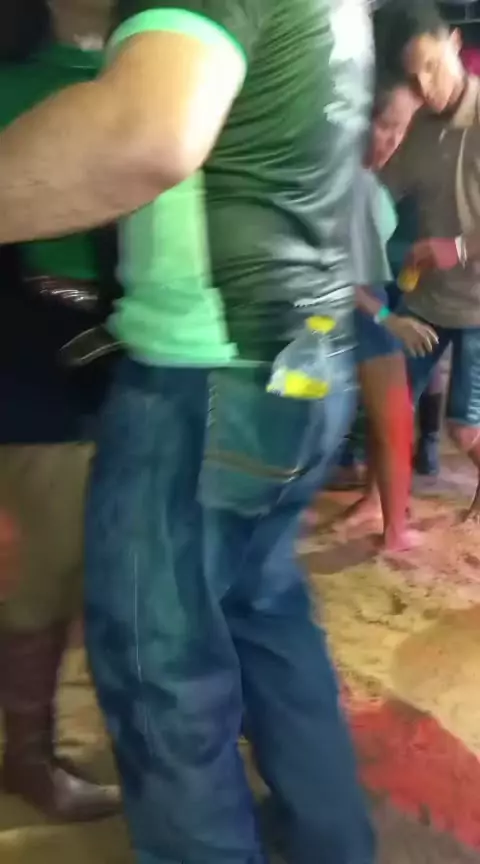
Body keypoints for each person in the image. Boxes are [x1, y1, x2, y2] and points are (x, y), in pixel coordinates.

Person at [0, 0, 376, 860]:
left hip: (203, 372)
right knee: (262, 607)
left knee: (161, 676)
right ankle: (332, 844)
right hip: (306, 356)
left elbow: (143, 136)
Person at [0, 0, 119, 821]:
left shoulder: (123, 67)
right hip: (40, 348)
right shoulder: (62, 77)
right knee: (50, 563)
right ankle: (28, 759)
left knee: (61, 560)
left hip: (94, 346)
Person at [374, 0, 480, 522]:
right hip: (430, 298)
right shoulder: (413, 128)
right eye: (413, 77)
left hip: (479, 303)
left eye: (433, 67)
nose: (426, 86)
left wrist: (457, 248)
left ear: (455, 45)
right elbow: (380, 194)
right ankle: (376, 504)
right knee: (389, 400)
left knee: (467, 427)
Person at [342, 79, 438, 552]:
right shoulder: (341, 181)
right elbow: (336, 273)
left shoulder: (367, 181)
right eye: (385, 126)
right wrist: (387, 317)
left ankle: (380, 513)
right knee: (392, 417)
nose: (392, 141)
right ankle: (394, 531)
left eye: (401, 131)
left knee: (390, 417)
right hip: (355, 308)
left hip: (369, 301)